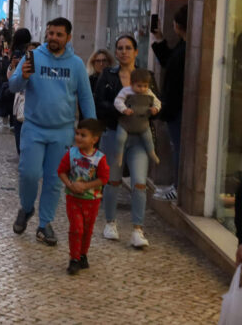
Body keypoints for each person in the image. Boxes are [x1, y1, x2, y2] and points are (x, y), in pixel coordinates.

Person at [9, 17, 96, 246]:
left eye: (59, 34)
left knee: (54, 180)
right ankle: (26, 208)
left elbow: (86, 98)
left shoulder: (76, 64)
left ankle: (44, 224)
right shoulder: (34, 57)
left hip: (62, 132)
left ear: (68, 37)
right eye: (51, 33)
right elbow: (13, 86)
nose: (54, 38)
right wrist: (23, 76)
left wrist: (92, 130)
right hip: (34, 128)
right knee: (28, 173)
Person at [94, 35, 159, 248]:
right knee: (112, 180)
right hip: (114, 133)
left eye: (128, 48)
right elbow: (99, 103)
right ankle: (110, 222)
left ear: (136, 51)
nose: (124, 52)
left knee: (139, 182)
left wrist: (150, 112)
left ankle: (137, 229)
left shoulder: (146, 76)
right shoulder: (108, 74)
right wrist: (120, 111)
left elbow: (157, 102)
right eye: (120, 48)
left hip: (140, 136)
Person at [57, 119, 109, 275]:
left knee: (87, 230)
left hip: (92, 201)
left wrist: (86, 186)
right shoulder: (71, 154)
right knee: (76, 229)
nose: (78, 137)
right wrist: (70, 184)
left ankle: (83, 255)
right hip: (73, 199)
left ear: (94, 139)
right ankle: (73, 259)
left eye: (83, 135)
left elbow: (104, 178)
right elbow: (61, 171)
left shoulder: (100, 158)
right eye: (77, 134)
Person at [151, 4, 187, 201]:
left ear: (178, 25)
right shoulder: (182, 46)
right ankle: (176, 185)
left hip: (176, 107)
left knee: (179, 147)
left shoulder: (186, 49)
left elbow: (173, 72)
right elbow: (168, 60)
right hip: (174, 106)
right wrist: (159, 39)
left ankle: (178, 187)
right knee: (176, 146)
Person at [113, 68, 162, 166]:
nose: (142, 89)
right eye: (139, 86)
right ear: (131, 84)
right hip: (126, 123)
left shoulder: (148, 92)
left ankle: (152, 153)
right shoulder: (126, 91)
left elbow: (157, 102)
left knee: (148, 139)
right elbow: (117, 101)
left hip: (143, 123)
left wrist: (155, 109)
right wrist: (124, 109)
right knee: (120, 138)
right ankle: (119, 155)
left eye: (145, 86)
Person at [8, 41, 40, 155]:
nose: (31, 54)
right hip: (19, 107)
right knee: (19, 141)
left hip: (32, 110)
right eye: (29, 51)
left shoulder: (41, 68)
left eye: (34, 51)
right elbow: (11, 82)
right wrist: (13, 66)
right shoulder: (22, 64)